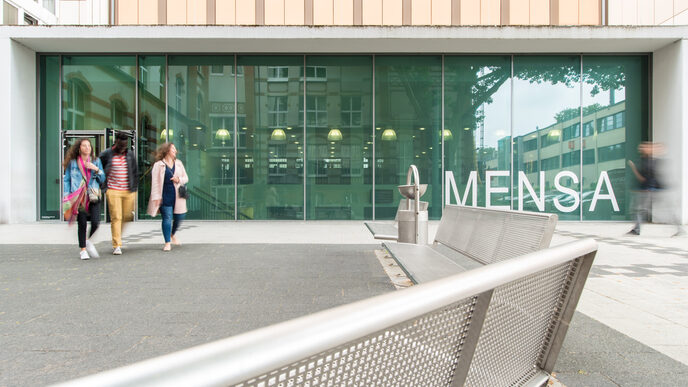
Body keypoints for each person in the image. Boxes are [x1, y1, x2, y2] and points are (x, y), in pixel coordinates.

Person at [627, 142, 683, 236]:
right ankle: (637, 229)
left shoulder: (648, 162)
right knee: (641, 210)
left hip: (649, 191)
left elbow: (642, 178)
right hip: (652, 190)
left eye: (643, 148)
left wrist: (633, 167)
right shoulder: (648, 160)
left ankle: (637, 229)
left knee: (639, 209)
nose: (640, 149)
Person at [62, 138, 105, 260]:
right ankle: (83, 250)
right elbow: (67, 179)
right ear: (79, 148)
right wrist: (67, 194)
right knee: (82, 223)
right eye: (84, 146)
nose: (87, 148)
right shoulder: (73, 163)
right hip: (79, 197)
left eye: (89, 146)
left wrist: (95, 169)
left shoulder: (96, 161)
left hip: (93, 194)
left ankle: (87, 241)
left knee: (96, 222)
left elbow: (102, 179)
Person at [99, 132, 139, 255]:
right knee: (117, 217)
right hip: (113, 190)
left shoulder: (130, 155)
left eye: (124, 146)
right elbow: (98, 168)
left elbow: (135, 171)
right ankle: (117, 244)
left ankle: (118, 235)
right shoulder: (106, 154)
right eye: (121, 146)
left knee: (127, 216)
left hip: (128, 190)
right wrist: (103, 186)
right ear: (116, 142)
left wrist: (135, 188)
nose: (122, 149)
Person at [147, 143, 188, 251]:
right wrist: (156, 197)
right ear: (167, 150)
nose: (175, 150)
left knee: (180, 217)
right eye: (173, 148)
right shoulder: (158, 165)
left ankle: (172, 234)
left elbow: (186, 178)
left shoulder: (179, 163)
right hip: (164, 195)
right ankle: (167, 242)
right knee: (167, 218)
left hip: (178, 196)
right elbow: (155, 182)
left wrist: (178, 179)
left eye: (175, 149)